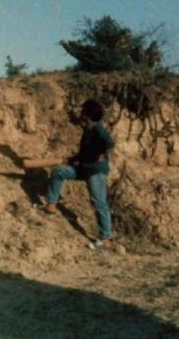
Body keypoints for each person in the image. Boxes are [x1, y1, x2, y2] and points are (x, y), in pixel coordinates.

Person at [42, 99, 115, 248]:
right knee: (59, 172)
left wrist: (97, 154)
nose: (80, 114)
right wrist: (72, 159)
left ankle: (106, 238)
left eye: (83, 111)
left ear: (88, 115)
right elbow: (84, 152)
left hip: (95, 172)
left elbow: (109, 142)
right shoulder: (88, 129)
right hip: (84, 168)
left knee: (99, 203)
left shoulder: (97, 128)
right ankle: (51, 205)